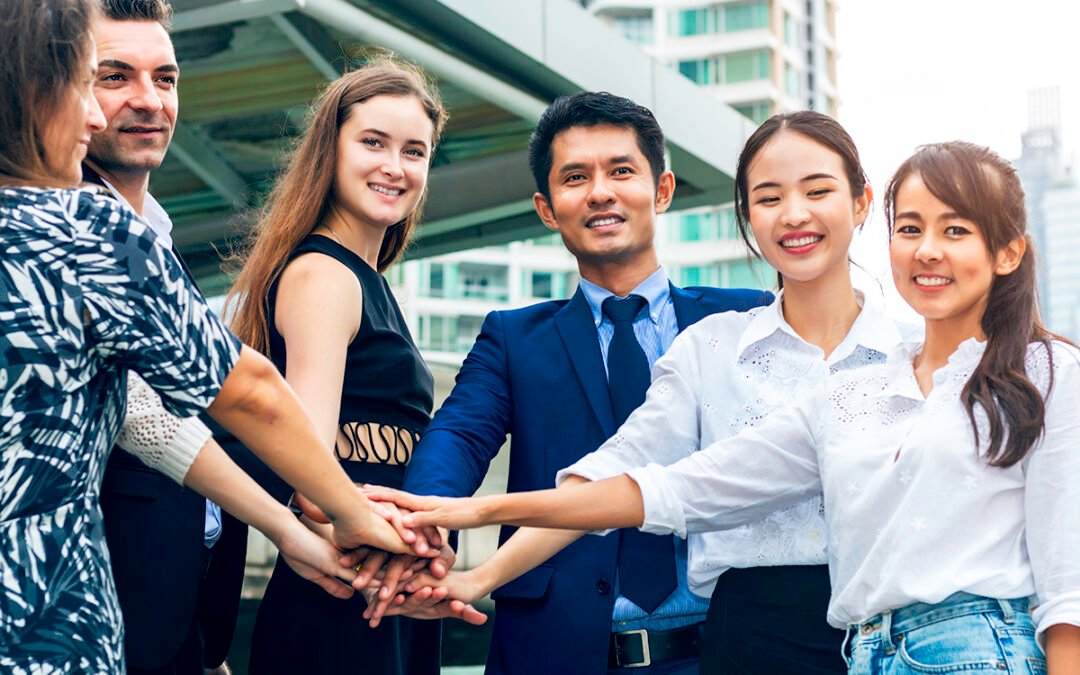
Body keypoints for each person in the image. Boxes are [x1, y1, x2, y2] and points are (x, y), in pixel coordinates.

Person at [373, 141, 1080, 674]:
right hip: (833, 642)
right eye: (913, 229)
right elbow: (672, 485)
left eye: (956, 231)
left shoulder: (1036, 371)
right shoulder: (823, 386)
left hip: (969, 641)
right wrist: (475, 520)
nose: (928, 251)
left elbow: (1066, 580)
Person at [0, 1, 411, 671]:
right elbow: (247, 390)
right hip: (50, 627)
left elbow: (140, 416)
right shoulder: (90, 231)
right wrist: (352, 513)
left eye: (166, 77)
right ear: (30, 90)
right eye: (88, 84)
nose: (101, 114)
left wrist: (284, 531)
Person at [385, 91, 770, 675]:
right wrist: (430, 519)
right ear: (547, 207)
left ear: (662, 190)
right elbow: (458, 436)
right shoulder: (513, 338)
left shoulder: (746, 320)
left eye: (621, 171)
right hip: (556, 649)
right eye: (575, 177)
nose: (599, 193)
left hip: (729, 647)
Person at [223, 57, 478, 675]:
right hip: (338, 598)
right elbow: (308, 468)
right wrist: (403, 538)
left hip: (378, 588)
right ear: (328, 152)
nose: (395, 167)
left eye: (414, 151)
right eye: (373, 143)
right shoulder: (325, 274)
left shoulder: (365, 280)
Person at [83, 2, 246, 672]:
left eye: (166, 79)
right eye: (115, 76)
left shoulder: (157, 231)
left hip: (180, 608)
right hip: (103, 603)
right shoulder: (72, 229)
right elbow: (144, 418)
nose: (149, 101)